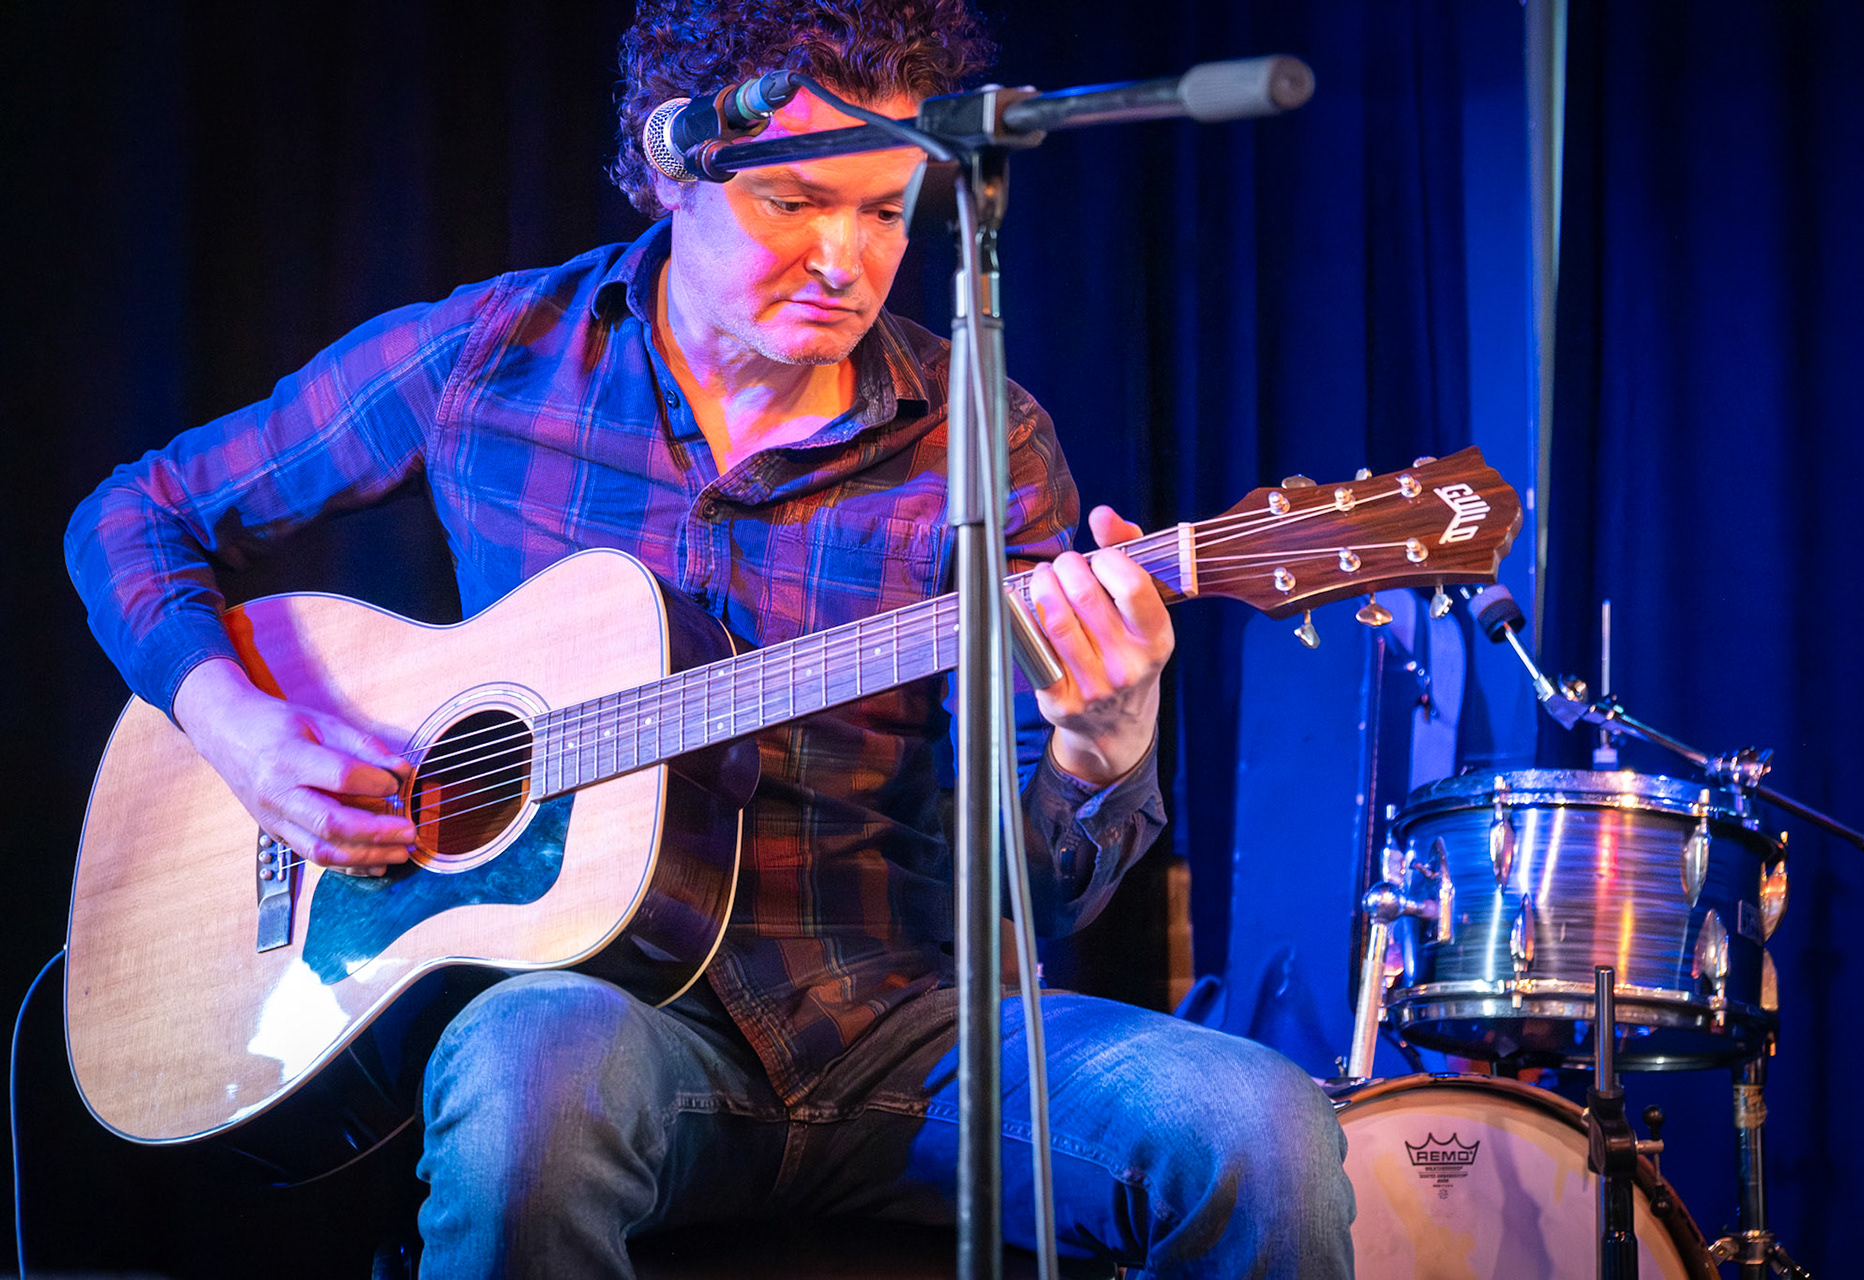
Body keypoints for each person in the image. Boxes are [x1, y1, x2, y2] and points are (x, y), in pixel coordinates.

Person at [65, 2, 1355, 1275]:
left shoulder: (985, 438)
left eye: (887, 212)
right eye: (792, 205)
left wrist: (1097, 748)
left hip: (910, 1034)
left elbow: (1045, 895)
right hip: (610, 1024)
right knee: (533, 1070)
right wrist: (235, 725)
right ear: (669, 163)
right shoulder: (492, 356)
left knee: (1258, 1128)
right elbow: (135, 514)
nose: (845, 260)